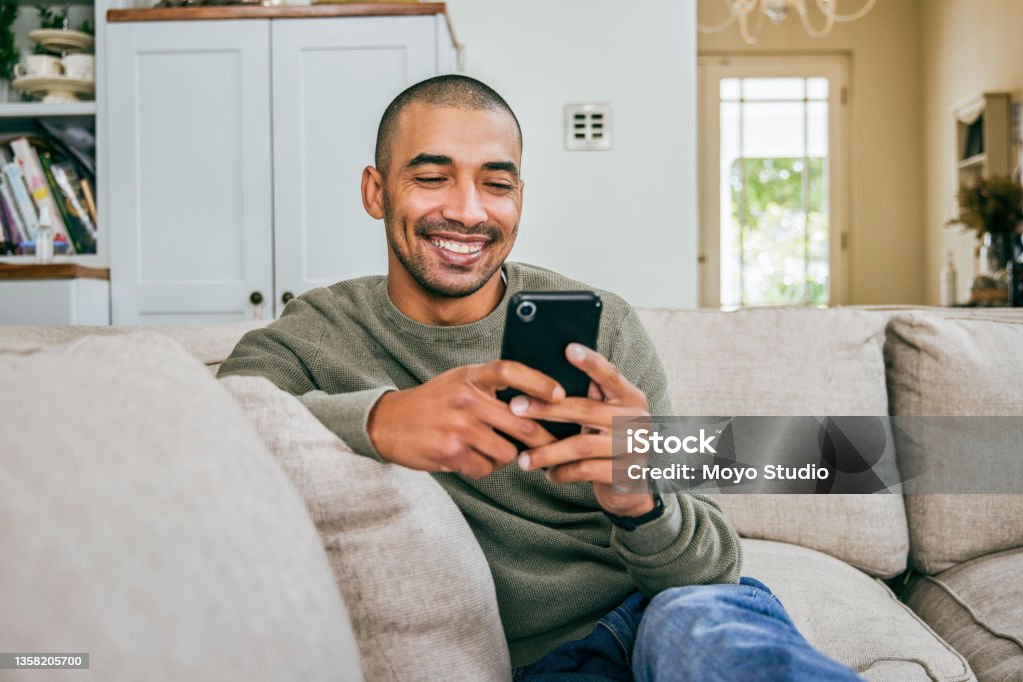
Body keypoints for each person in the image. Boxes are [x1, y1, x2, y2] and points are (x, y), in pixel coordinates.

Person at [218, 75, 862, 681]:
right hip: (553, 660)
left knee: (700, 628)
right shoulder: (320, 331)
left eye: (496, 184)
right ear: (375, 191)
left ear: (518, 196)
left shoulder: (604, 327)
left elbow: (713, 570)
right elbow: (208, 423)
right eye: (433, 177)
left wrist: (639, 499)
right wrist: (382, 420)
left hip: (665, 614)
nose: (468, 212)